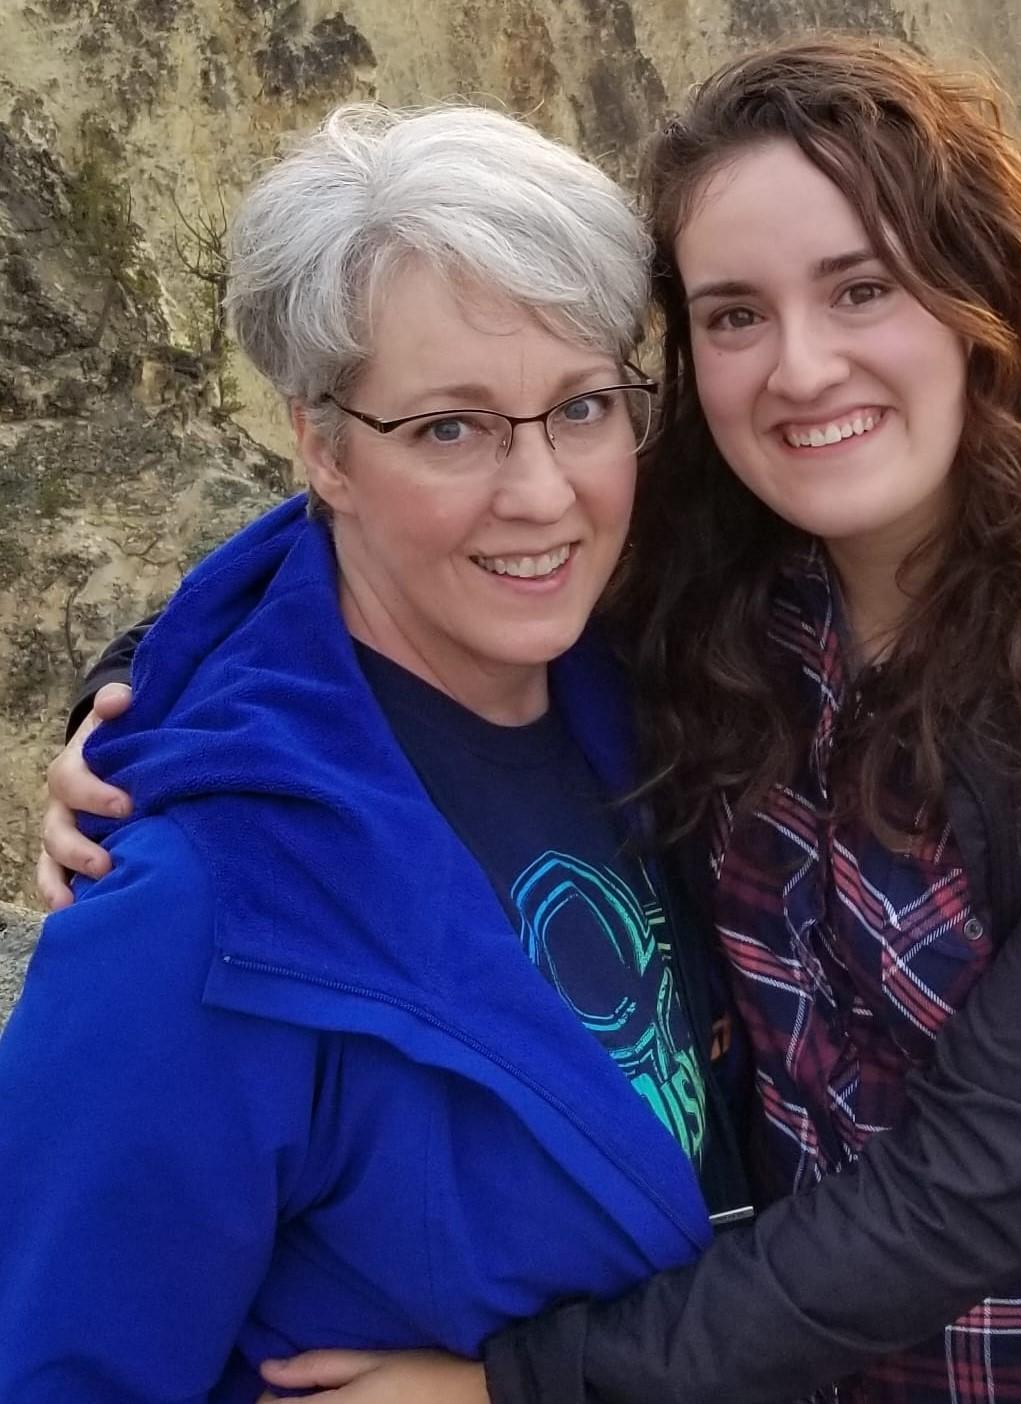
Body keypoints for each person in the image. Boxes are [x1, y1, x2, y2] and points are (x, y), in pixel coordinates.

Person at [34, 37, 1021, 1404]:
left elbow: (965, 1182)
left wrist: (515, 1389)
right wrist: (141, 709)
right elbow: (395, 522)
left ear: (982, 299)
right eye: (734, 314)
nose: (802, 368)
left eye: (862, 287)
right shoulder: (707, 575)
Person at [0, 102, 750, 1402]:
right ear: (321, 445)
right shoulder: (202, 919)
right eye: (451, 427)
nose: (543, 493)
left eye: (581, 406)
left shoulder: (650, 683)